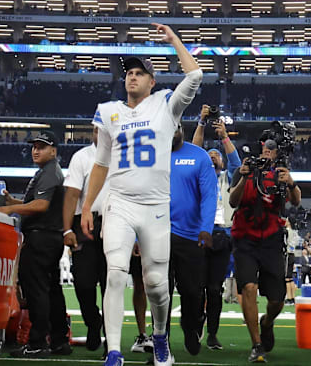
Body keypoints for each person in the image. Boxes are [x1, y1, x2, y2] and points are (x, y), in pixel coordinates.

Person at [80, 22, 202, 366]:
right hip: (119, 203)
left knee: (155, 284)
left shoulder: (165, 105)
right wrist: (88, 206)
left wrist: (174, 40)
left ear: (152, 81)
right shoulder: (109, 111)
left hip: (155, 206)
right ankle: (114, 351)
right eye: (128, 72)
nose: (132, 77)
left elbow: (195, 77)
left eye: (139, 73)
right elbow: (101, 163)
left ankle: (160, 336)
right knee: (115, 272)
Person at [0, 130, 71, 358]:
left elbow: (40, 206)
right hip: (50, 237)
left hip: (42, 238)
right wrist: (14, 201)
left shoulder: (49, 172)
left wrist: (9, 209)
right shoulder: (49, 172)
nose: (35, 150)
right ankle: (59, 341)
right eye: (34, 146)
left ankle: (38, 343)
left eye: (42, 147)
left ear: (54, 151)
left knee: (37, 290)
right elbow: (38, 203)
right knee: (52, 291)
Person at [229, 139, 302, 363]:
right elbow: (233, 201)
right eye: (265, 149)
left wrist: (290, 182)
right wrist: (243, 176)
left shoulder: (279, 173)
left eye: (271, 150)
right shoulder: (245, 170)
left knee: (277, 299)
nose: (267, 153)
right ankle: (257, 344)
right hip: (245, 239)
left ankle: (267, 322)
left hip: (270, 239)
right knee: (248, 287)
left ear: (276, 154)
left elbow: (296, 201)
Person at [191, 105, 242, 351]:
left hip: (222, 235)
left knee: (214, 289)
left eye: (216, 155)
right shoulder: (199, 177)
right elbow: (192, 151)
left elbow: (236, 162)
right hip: (200, 233)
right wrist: (201, 123)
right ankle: (198, 324)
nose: (212, 156)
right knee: (198, 287)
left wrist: (223, 136)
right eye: (208, 154)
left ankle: (212, 333)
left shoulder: (229, 178)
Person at [166, 125, 216, 355]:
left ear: (182, 128)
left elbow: (209, 195)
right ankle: (160, 344)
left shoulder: (199, 156)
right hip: (158, 236)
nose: (173, 130)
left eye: (177, 125)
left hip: (191, 237)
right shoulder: (153, 156)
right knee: (159, 293)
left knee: (193, 292)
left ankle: (191, 327)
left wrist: (206, 229)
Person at [62, 126, 108, 352]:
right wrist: (66, 230)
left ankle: (112, 341)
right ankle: (93, 322)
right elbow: (71, 195)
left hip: (115, 223)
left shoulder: (123, 158)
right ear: (93, 133)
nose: (101, 135)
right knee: (82, 283)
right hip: (84, 223)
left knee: (112, 286)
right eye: (98, 131)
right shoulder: (81, 157)